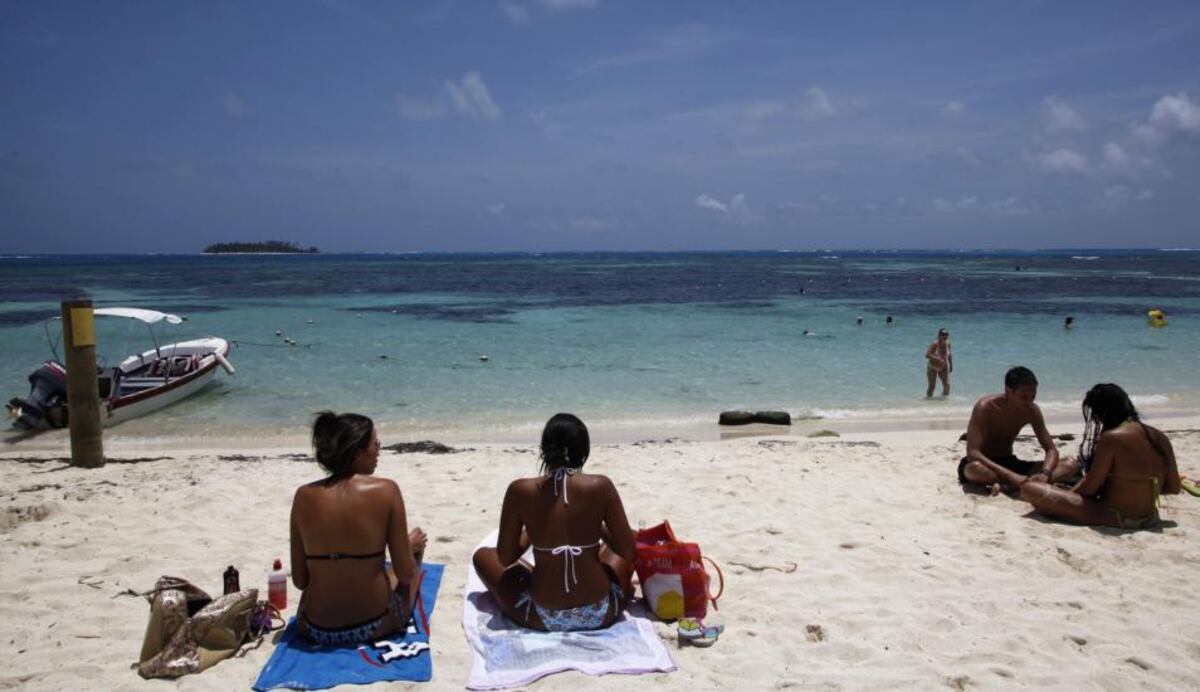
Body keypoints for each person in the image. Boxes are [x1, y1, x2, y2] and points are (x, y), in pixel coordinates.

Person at [473, 413, 636, 632]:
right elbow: (627, 550)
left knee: (483, 556)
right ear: (583, 450)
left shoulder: (520, 490)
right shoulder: (600, 485)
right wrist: (598, 528)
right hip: (601, 611)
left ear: (544, 449)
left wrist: (533, 531)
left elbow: (506, 557)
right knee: (630, 537)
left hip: (543, 617)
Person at [290, 411, 427, 646]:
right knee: (413, 553)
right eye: (375, 444)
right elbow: (405, 574)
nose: (379, 450)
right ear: (357, 451)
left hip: (313, 627)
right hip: (374, 625)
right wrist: (407, 547)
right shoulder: (387, 490)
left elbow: (301, 581)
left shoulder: (303, 496)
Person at [981, 384, 1180, 528]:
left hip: (1116, 515)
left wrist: (1067, 493)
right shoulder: (1159, 436)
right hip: (1150, 516)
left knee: (1031, 490)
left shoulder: (1112, 438)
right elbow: (1173, 487)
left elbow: (1090, 488)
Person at [958, 367, 1060, 492]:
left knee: (1070, 464)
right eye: (1023, 396)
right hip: (985, 463)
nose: (1029, 401)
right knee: (973, 469)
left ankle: (1014, 485)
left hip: (1009, 462)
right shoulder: (986, 408)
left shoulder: (1032, 411)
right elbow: (973, 453)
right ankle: (1019, 483)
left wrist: (1045, 473)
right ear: (1008, 391)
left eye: (1032, 396)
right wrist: (1010, 475)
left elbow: (1051, 450)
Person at [925, 328, 953, 397]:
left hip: (943, 367)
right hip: (932, 367)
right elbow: (927, 355)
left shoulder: (948, 343)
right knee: (932, 386)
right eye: (943, 334)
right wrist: (938, 359)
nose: (945, 336)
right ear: (939, 335)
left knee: (947, 385)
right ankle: (928, 401)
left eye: (946, 334)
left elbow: (950, 355)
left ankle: (943, 401)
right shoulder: (935, 344)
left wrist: (951, 365)